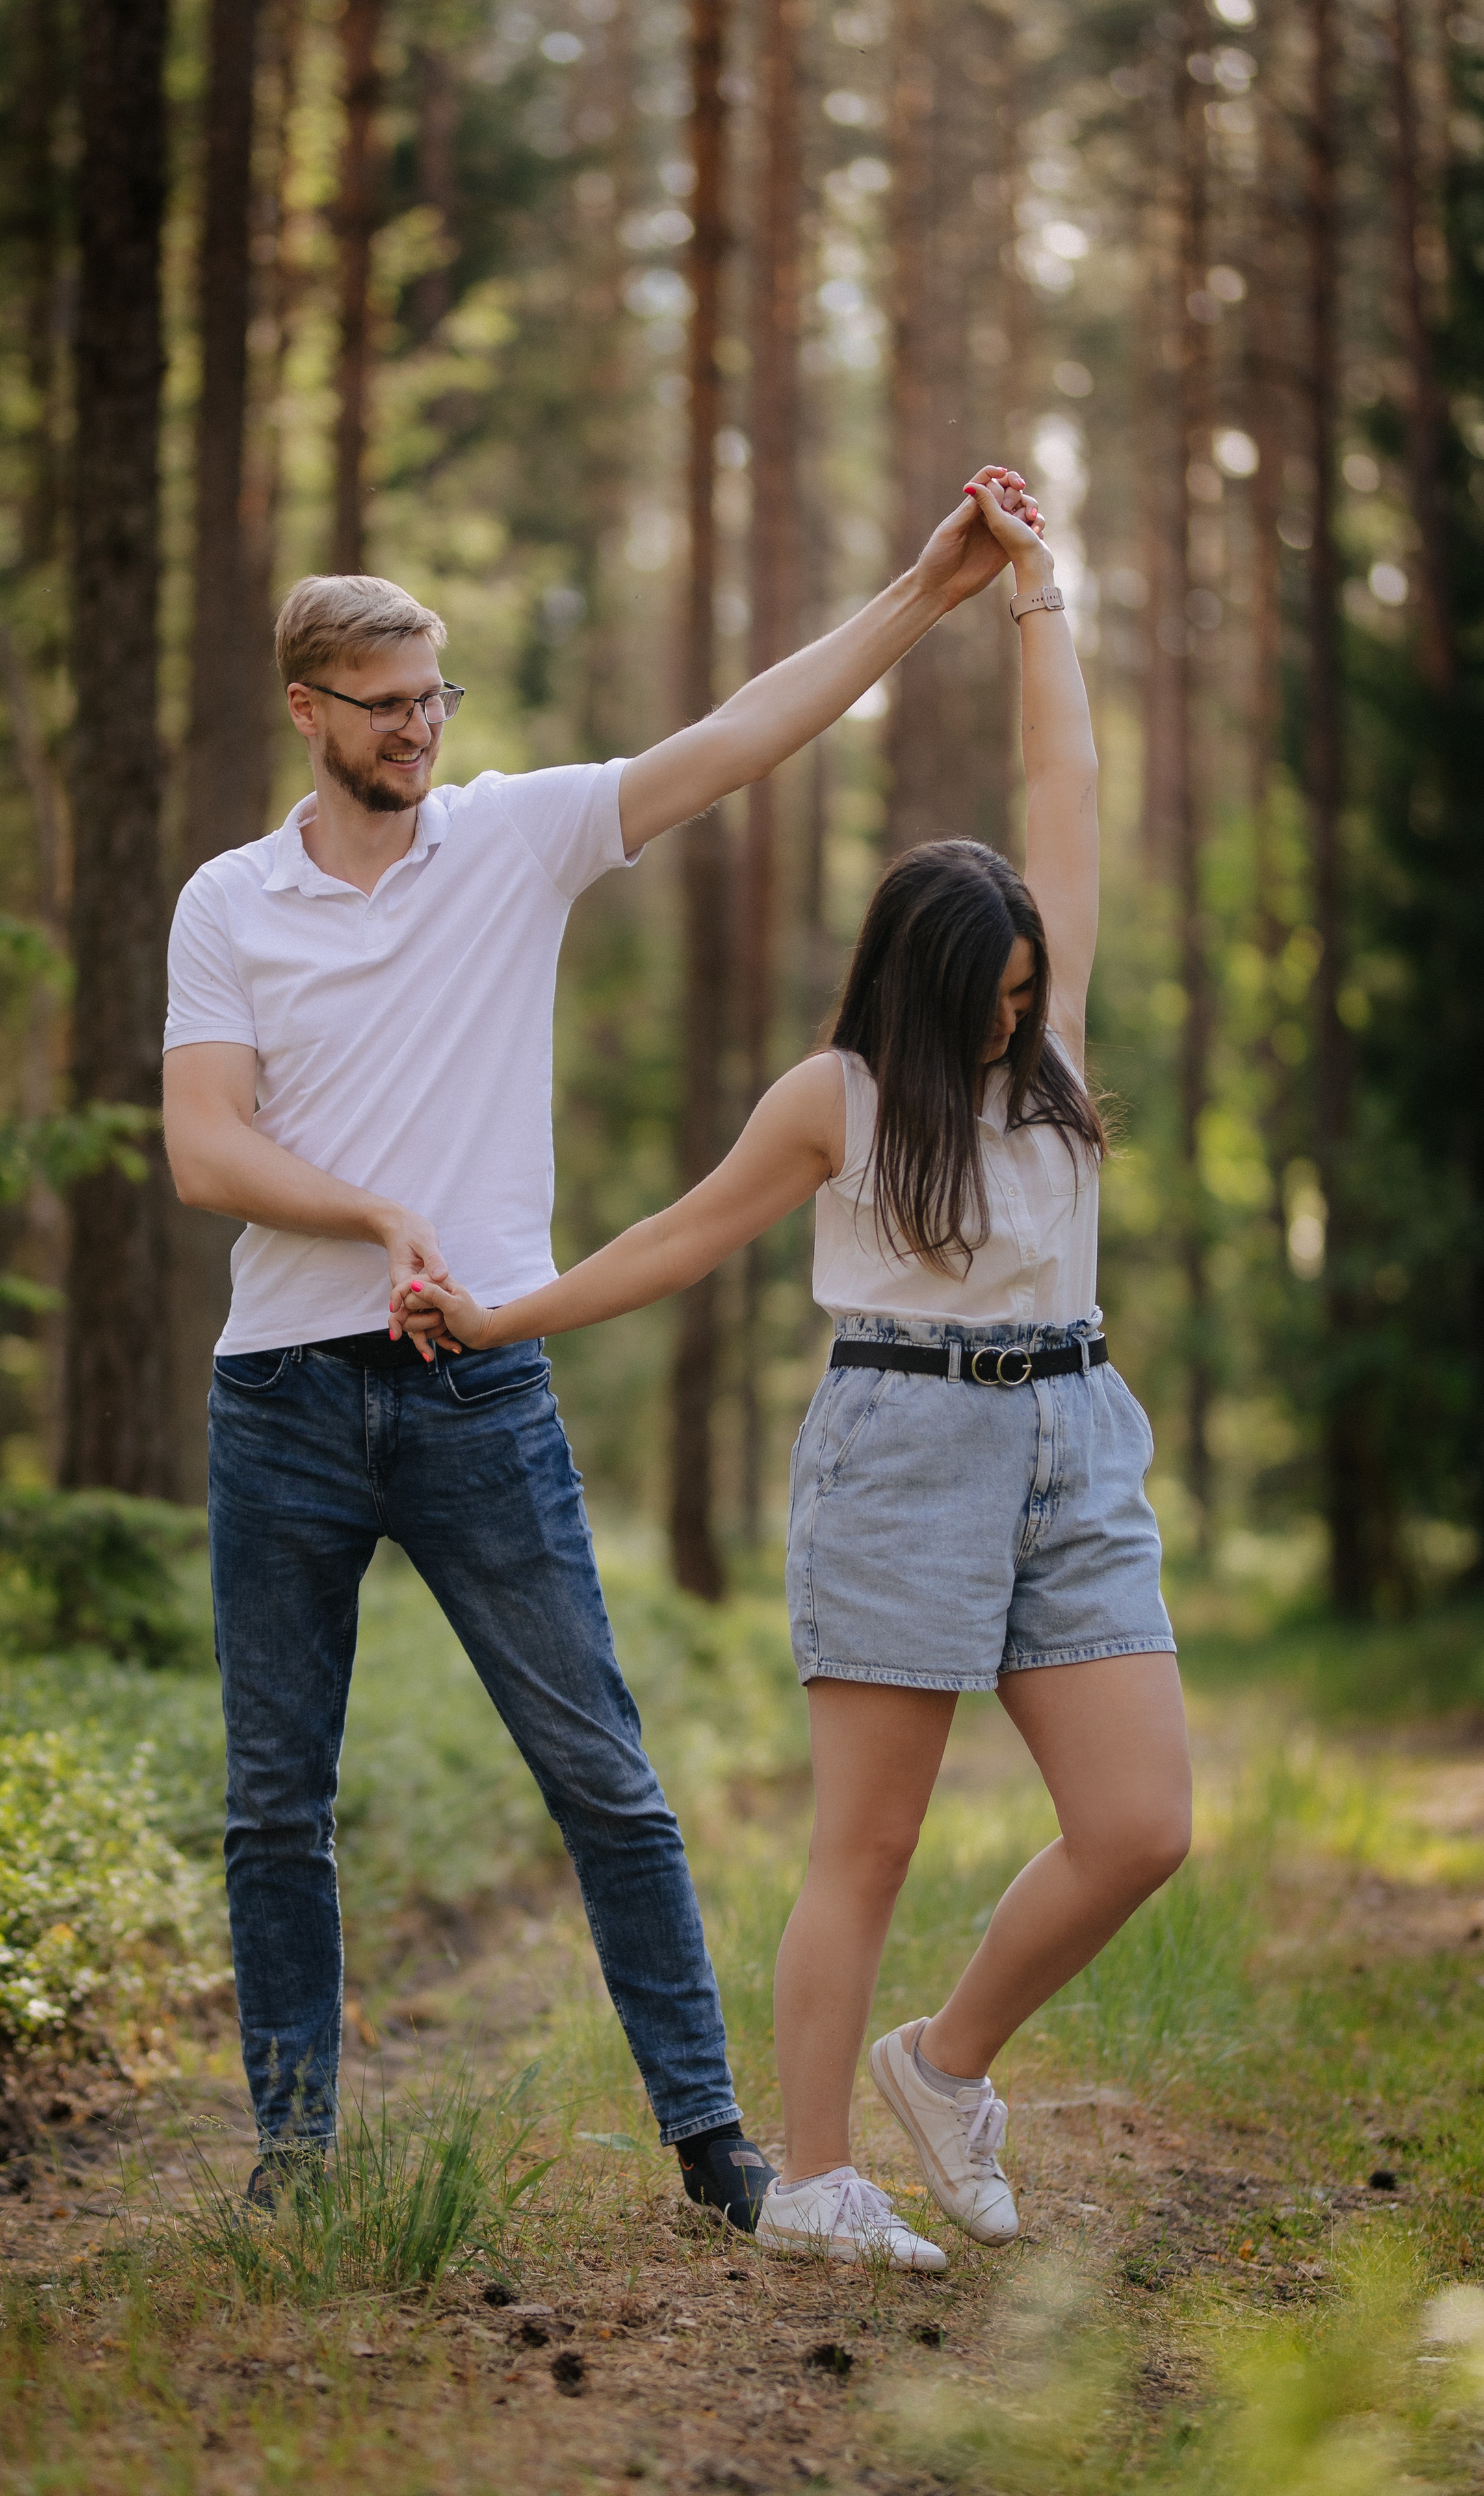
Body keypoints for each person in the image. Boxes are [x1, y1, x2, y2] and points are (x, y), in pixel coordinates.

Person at [160, 463, 1043, 2217]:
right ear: (307, 711)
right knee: (274, 1804)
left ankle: (715, 2146)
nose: (420, 729)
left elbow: (741, 737)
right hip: (280, 1399)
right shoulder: (228, 902)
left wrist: (929, 593)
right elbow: (204, 1148)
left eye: (436, 698)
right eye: (385, 705)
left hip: (475, 1391)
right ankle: (293, 2161)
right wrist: (373, 1214)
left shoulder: (515, 837)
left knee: (608, 1783)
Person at [398, 476, 1191, 2270]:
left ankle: (947, 2066)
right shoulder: (837, 1100)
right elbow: (679, 1236)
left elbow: (1065, 792)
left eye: (1027, 994)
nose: (1015, 1021)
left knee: (1142, 1824)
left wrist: (1036, 597)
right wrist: (502, 1315)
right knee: (869, 1844)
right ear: (917, 989)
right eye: (988, 1003)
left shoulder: (1053, 1045)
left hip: (1075, 1432)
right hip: (903, 1442)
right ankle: (815, 2179)